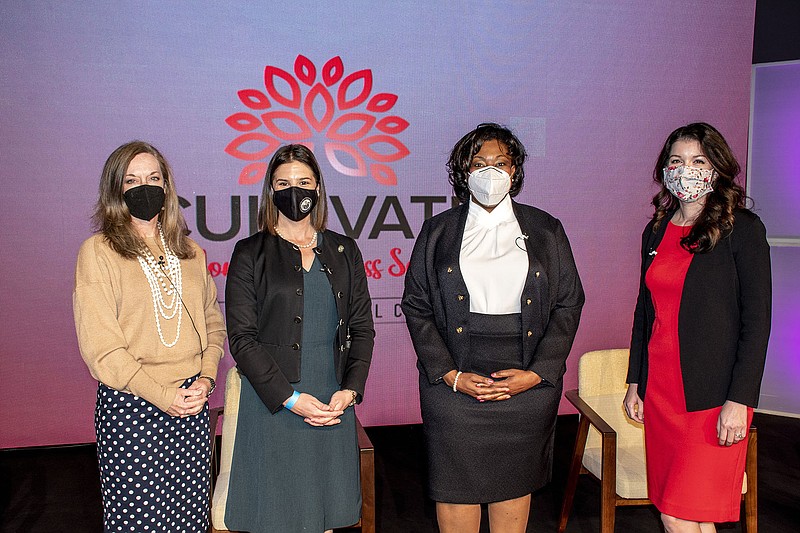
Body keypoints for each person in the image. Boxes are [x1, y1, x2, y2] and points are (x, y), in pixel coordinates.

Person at [402, 123, 584, 533]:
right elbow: (416, 304)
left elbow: (569, 302)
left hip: (526, 383)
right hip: (452, 384)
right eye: (478, 164)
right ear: (463, 173)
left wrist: (537, 374)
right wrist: (449, 374)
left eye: (499, 163)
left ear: (515, 170)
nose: (490, 172)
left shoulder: (546, 228)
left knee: (513, 488)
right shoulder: (438, 231)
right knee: (454, 489)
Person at [624, 123, 771, 533]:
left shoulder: (742, 229)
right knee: (689, 514)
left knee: (676, 513)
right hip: (662, 395)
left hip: (711, 397)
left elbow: (757, 323)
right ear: (664, 170)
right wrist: (636, 381)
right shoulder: (655, 229)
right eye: (676, 161)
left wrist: (740, 399)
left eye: (698, 161)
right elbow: (644, 311)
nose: (685, 169)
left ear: (717, 169)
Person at [73, 141, 226, 532]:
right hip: (133, 408)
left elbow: (213, 324)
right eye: (133, 180)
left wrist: (206, 380)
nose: (146, 187)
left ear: (167, 186)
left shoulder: (192, 253)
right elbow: (102, 349)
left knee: (191, 520)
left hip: (191, 407)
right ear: (115, 190)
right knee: (139, 523)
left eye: (154, 178)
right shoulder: (99, 252)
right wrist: (162, 395)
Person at [222, 144, 374, 533]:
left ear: (319, 189)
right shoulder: (249, 253)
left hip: (331, 403)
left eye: (304, 182)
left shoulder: (344, 250)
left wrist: (350, 391)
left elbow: (361, 329)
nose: (296, 191)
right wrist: (291, 400)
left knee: (324, 518)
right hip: (275, 404)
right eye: (284, 183)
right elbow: (242, 339)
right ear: (270, 192)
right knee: (278, 517)